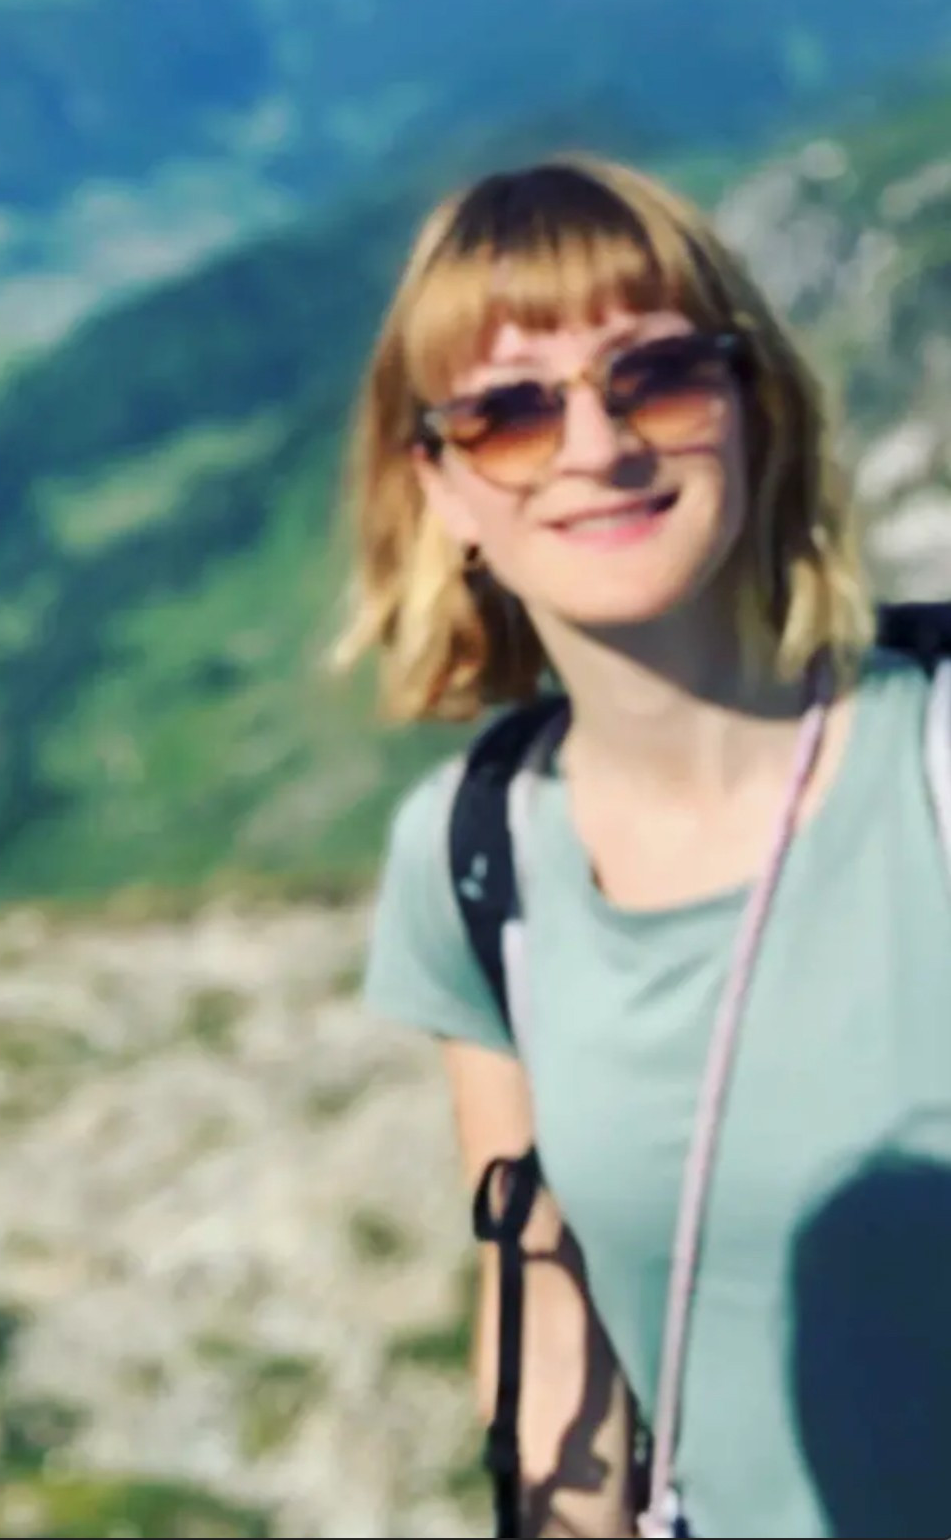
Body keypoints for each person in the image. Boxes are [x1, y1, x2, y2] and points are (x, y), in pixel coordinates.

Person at [341, 153, 951, 1539]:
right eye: (507, 413)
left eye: (656, 377)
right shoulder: (472, 857)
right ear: (439, 486)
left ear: (751, 408)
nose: (594, 446)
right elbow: (548, 1326)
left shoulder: (931, 765)